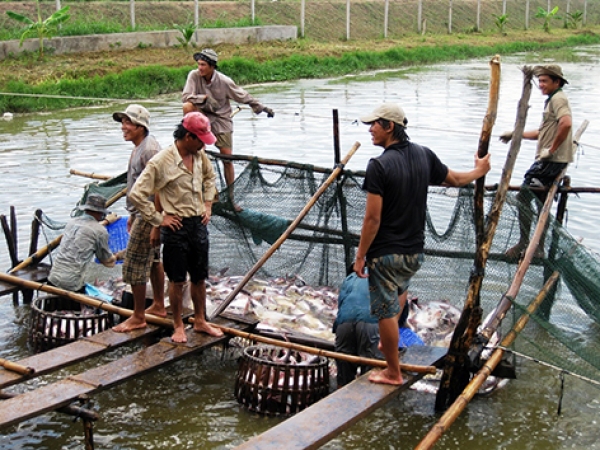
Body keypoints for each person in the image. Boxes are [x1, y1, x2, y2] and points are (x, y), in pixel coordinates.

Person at [354, 103, 491, 385]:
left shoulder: (378, 165)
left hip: (386, 254)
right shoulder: (423, 155)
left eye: (375, 124)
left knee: (385, 312)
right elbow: (454, 179)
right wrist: (479, 172)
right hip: (414, 253)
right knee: (399, 292)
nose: (370, 129)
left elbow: (372, 220)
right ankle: (388, 344)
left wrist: (360, 256)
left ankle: (393, 372)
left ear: (390, 127)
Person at [129, 111, 224, 343]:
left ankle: (200, 320)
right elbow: (137, 194)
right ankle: (178, 325)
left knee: (200, 276)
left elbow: (210, 179)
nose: (203, 145)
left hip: (197, 223)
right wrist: (159, 220)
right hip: (175, 226)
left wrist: (208, 204)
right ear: (188, 137)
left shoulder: (201, 156)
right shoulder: (161, 161)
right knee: (177, 278)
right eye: (201, 140)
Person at [182, 48, 274, 204]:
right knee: (188, 108)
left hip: (221, 118)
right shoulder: (194, 76)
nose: (200, 68)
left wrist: (262, 108)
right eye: (199, 64)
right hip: (201, 117)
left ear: (212, 66)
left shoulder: (224, 81)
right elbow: (186, 97)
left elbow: (243, 95)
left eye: (204, 65)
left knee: (227, 157)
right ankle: (207, 192)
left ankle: (231, 198)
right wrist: (203, 99)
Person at [499, 64, 573, 259]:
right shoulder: (551, 101)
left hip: (551, 161)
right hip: (552, 159)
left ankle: (525, 242)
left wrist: (552, 150)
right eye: (539, 81)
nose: (541, 85)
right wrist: (516, 134)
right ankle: (538, 248)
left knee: (523, 196)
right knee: (541, 202)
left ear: (557, 82)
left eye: (545, 81)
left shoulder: (558, 99)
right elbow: (542, 133)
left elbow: (566, 123)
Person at [111, 104, 166, 333]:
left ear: (141, 126)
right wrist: (132, 215)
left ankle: (138, 316)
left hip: (149, 213)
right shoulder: (138, 147)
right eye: (122, 122)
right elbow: (136, 185)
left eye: (128, 123)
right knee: (153, 260)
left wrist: (155, 222)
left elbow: (159, 188)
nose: (123, 127)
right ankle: (159, 305)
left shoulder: (149, 150)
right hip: (141, 213)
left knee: (133, 263)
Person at [48, 194, 119, 292]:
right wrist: (118, 256)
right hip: (72, 285)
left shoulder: (71, 223)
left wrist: (106, 222)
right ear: (101, 213)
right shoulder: (100, 231)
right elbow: (108, 262)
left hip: (52, 279)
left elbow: (88, 228)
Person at [333, 270, 383, 387]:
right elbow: (398, 309)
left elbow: (341, 304)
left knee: (344, 372)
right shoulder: (385, 273)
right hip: (371, 322)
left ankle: (341, 399)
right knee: (370, 373)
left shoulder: (349, 278)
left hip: (344, 322)